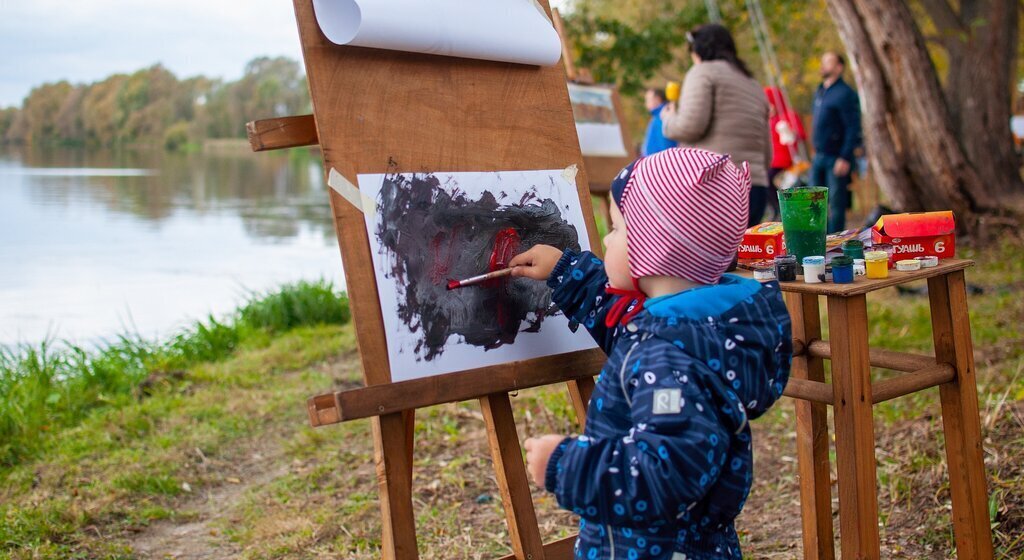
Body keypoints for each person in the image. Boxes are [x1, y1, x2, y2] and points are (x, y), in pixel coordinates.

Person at [509, 147, 793, 560]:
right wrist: (565, 271)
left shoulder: (668, 356)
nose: (606, 238)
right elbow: (628, 324)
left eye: (618, 228)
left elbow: (664, 475)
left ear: (652, 248)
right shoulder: (693, 327)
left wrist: (565, 465)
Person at [661, 24, 771, 228]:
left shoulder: (703, 72)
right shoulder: (754, 85)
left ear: (698, 50)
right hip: (756, 187)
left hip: (716, 189)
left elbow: (690, 127)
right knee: (743, 257)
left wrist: (668, 119)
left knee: (708, 259)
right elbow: (767, 153)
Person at [811, 51, 862, 233]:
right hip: (818, 156)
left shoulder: (845, 93)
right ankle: (818, 239)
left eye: (828, 62)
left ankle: (835, 242)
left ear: (839, 67)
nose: (823, 65)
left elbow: (853, 127)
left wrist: (845, 157)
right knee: (814, 203)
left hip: (836, 158)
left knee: (836, 204)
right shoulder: (820, 91)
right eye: (823, 61)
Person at [764, 86, 806, 221]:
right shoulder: (770, 120)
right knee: (764, 180)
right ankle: (776, 206)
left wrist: (791, 133)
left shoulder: (788, 116)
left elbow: (800, 135)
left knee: (767, 178)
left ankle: (778, 207)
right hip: (773, 159)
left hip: (786, 158)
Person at [641, 88, 678, 156]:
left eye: (648, 100)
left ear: (657, 99)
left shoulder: (663, 115)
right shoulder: (657, 116)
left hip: (661, 161)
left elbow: (666, 145)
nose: (646, 103)